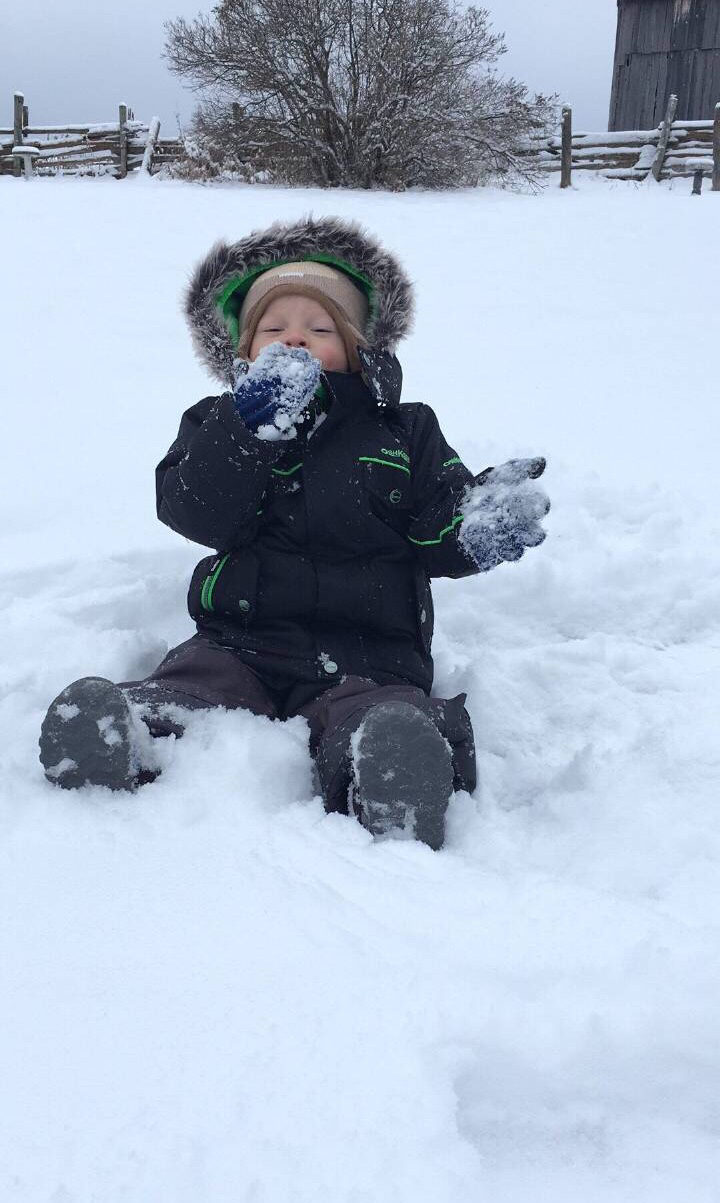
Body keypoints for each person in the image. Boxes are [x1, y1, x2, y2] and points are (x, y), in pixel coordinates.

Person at [39, 216, 549, 850]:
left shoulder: (404, 429)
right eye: (274, 329)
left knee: (375, 713)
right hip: (240, 637)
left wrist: (470, 527)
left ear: (359, 345)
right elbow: (194, 512)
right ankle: (121, 732)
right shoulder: (220, 422)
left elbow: (434, 524)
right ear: (246, 351)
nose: (296, 340)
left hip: (371, 650)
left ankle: (388, 769)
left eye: (320, 328)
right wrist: (245, 435)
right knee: (193, 688)